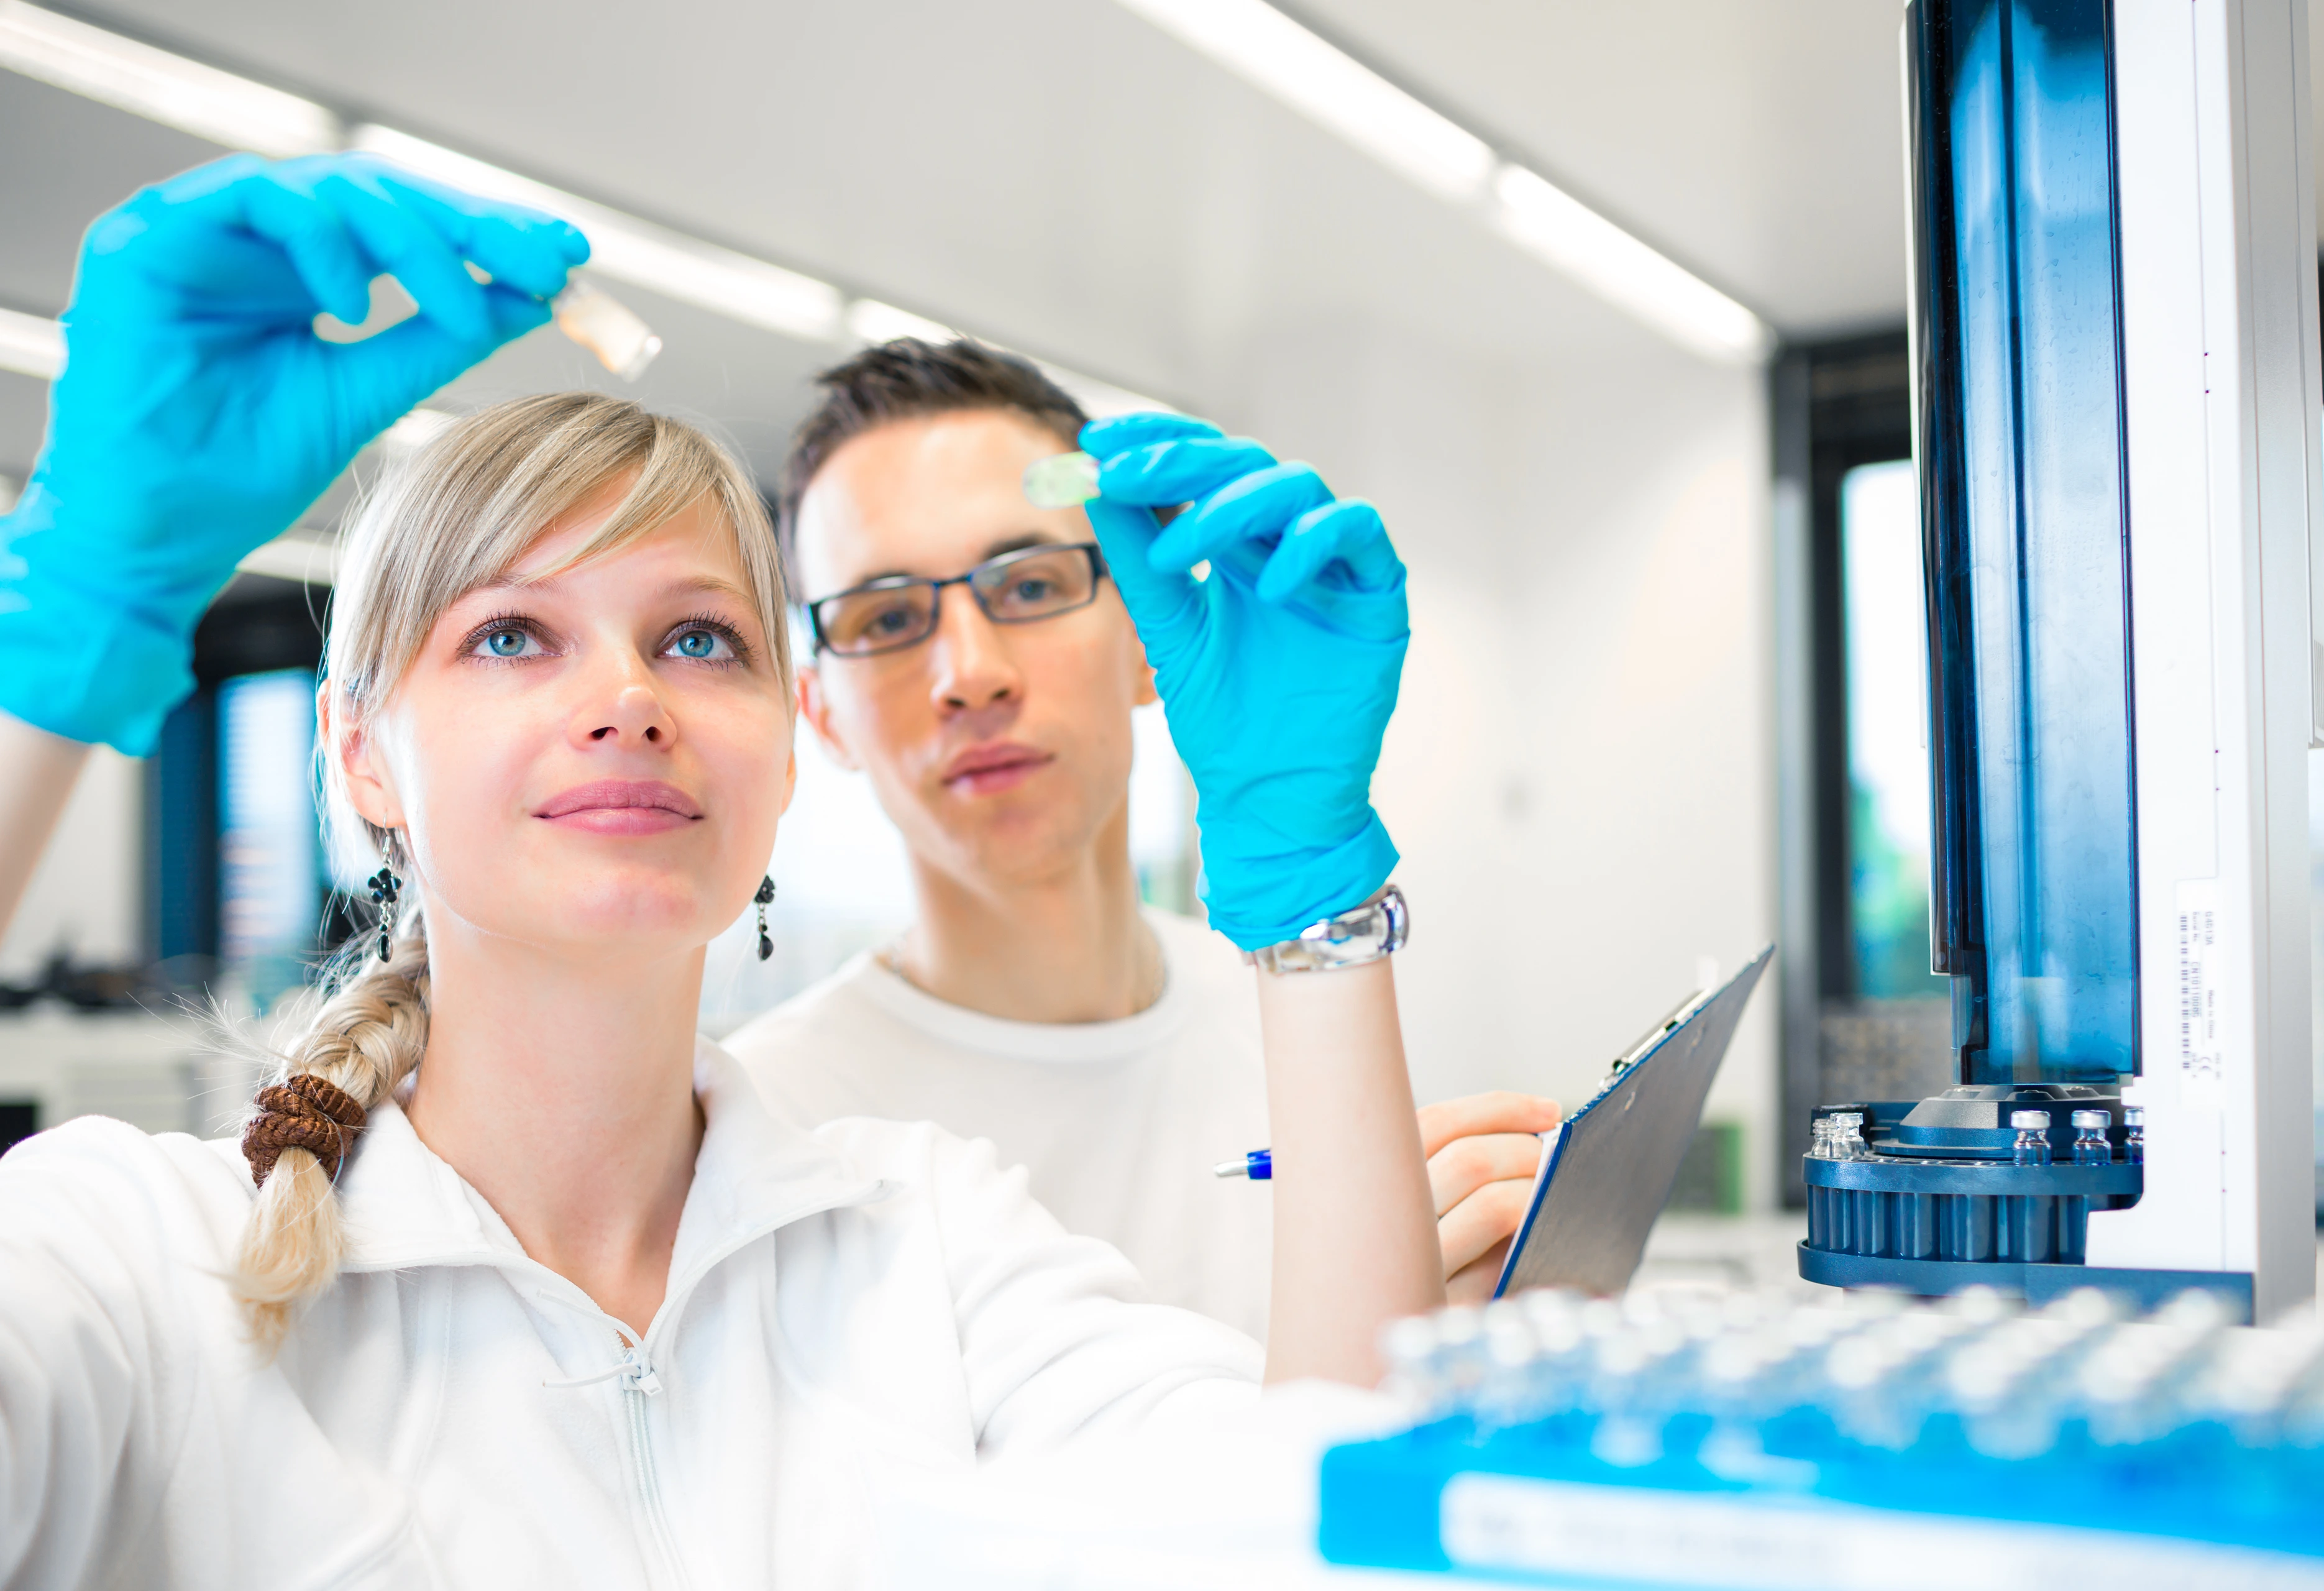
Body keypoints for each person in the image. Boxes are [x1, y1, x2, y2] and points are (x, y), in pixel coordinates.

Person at [0, 154, 1445, 1586]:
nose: (630, 698)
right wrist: (68, 625)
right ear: (361, 752)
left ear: (785, 752)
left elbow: (1323, 1539)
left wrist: (1309, 895)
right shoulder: (144, 1263)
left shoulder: (927, 1243)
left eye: (699, 639)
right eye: (512, 634)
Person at [723, 341, 1558, 1336]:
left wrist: (1457, 1335)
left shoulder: (1298, 1012)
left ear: (1143, 637)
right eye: (887, 615)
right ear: (821, 715)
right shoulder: (760, 1124)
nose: (971, 674)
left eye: (1030, 586)